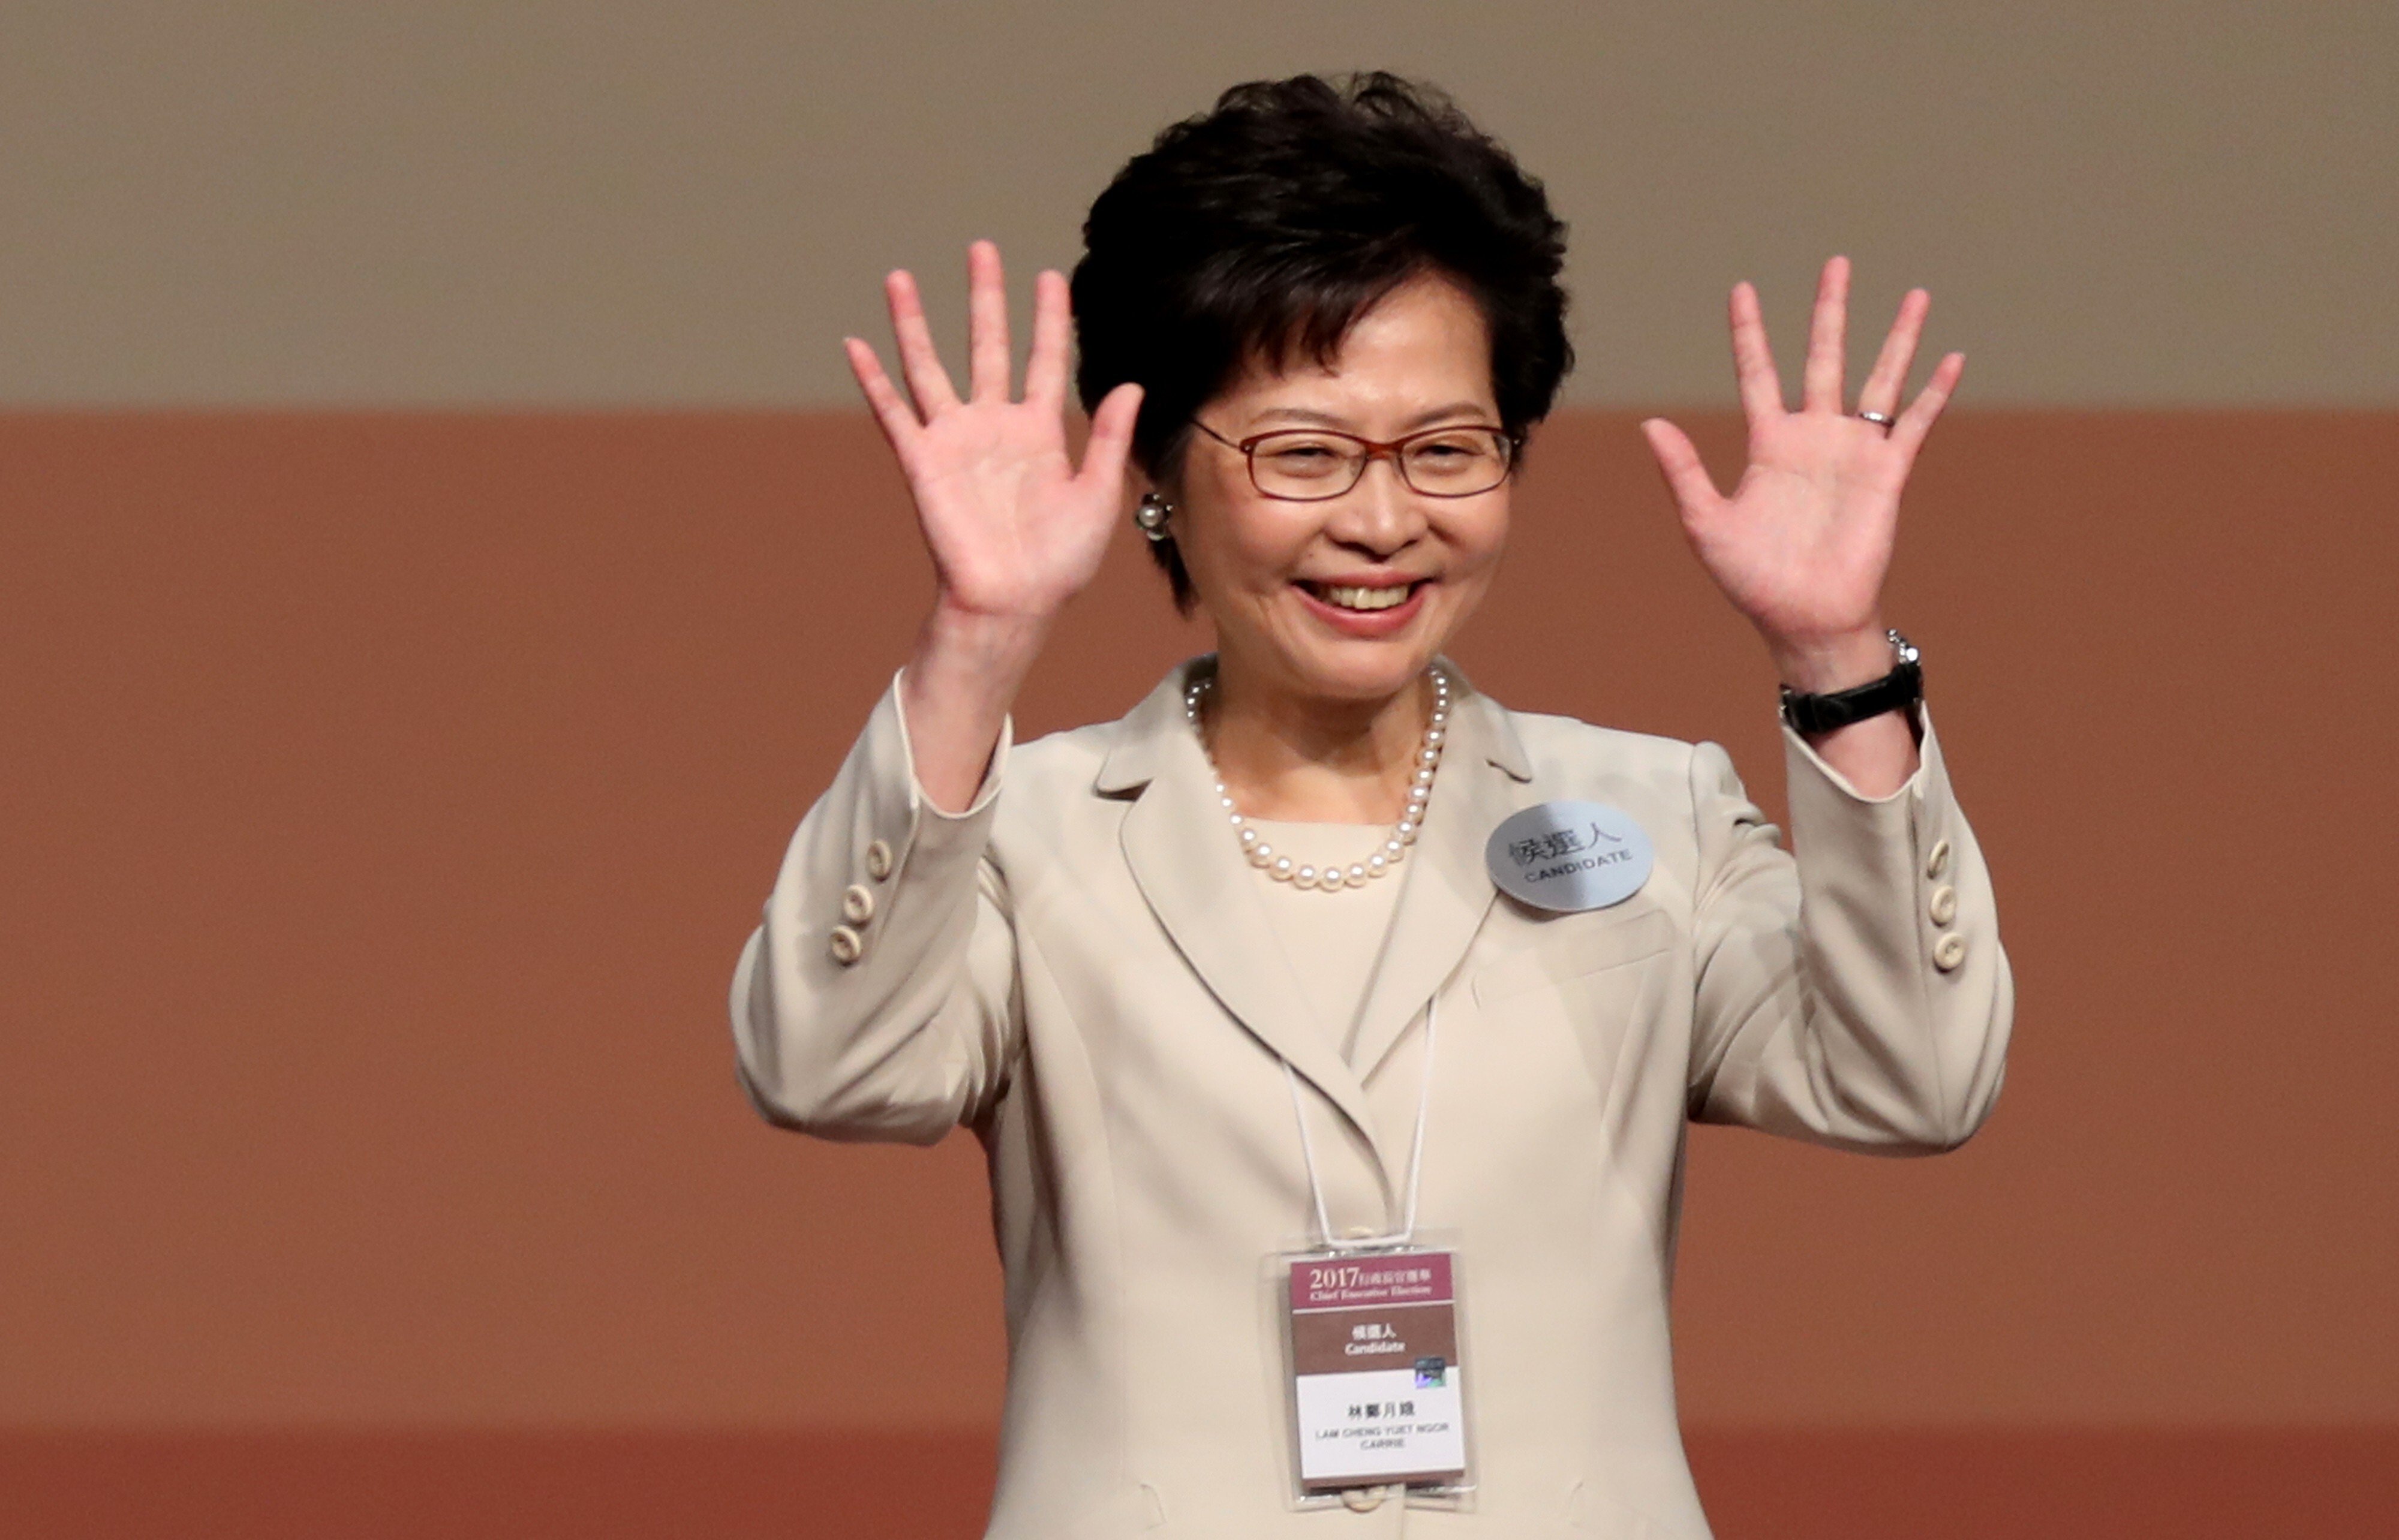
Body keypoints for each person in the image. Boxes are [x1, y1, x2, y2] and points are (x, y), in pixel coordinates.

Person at [732, 73, 2010, 1538]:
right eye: (1303, 453)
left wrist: (1835, 660)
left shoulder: (1645, 813)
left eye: (1445, 448)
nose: (1384, 521)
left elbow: (1916, 1078)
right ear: (1156, 472)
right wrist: (977, 638)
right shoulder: (1024, 830)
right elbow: (826, 1069)